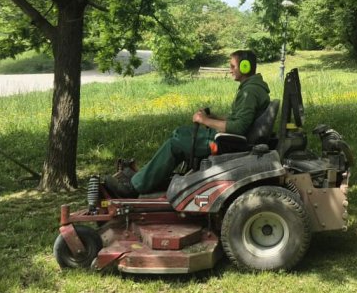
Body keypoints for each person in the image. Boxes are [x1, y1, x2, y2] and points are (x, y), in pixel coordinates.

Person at [109, 50, 270, 197]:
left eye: (232, 66)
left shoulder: (250, 92)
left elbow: (239, 128)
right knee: (179, 132)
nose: (230, 69)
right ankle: (143, 177)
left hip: (227, 143)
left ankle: (134, 187)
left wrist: (205, 120)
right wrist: (213, 116)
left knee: (175, 144)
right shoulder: (251, 88)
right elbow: (238, 120)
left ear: (245, 66)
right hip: (229, 138)